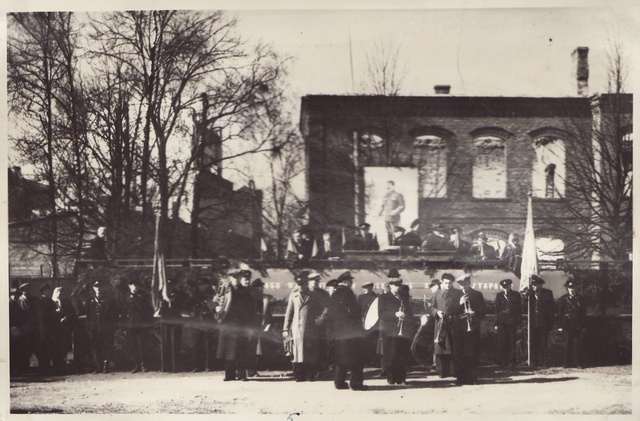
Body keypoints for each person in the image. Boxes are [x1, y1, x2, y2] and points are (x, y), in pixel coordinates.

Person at [283, 271, 324, 382]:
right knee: (296, 353)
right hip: (296, 329)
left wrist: (320, 319)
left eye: (303, 284)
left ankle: (310, 375)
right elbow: (289, 313)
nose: (301, 287)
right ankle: (298, 375)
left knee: (309, 352)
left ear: (306, 284)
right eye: (299, 285)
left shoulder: (314, 295)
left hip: (310, 328)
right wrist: (285, 329)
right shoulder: (293, 296)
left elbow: (324, 308)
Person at [329, 271, 366, 390]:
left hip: (340, 332)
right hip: (351, 331)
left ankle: (339, 382)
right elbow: (353, 313)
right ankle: (356, 383)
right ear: (345, 282)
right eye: (350, 281)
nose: (352, 283)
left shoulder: (335, 294)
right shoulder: (348, 293)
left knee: (341, 358)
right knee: (357, 357)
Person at [216, 270, 255, 381]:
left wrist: (250, 325)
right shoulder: (225, 289)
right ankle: (229, 375)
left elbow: (251, 309)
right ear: (230, 278)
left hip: (241, 324)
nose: (236, 280)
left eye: (238, 277)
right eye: (233, 277)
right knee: (229, 350)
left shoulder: (246, 292)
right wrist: (216, 308)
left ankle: (242, 374)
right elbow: (214, 300)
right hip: (228, 324)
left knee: (242, 349)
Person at [378, 272, 415, 385]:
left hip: (402, 330)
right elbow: (381, 314)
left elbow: (410, 312)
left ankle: (401, 378)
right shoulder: (383, 297)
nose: (397, 287)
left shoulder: (403, 298)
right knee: (390, 354)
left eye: (398, 285)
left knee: (401, 354)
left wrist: (405, 315)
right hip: (389, 330)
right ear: (390, 286)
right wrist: (395, 314)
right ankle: (391, 377)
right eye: (395, 285)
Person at [454, 275, 487, 385]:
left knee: (473, 352)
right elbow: (451, 311)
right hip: (460, 327)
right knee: (460, 352)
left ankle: (472, 378)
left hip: (473, 326)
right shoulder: (456, 295)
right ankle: (461, 378)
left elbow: (483, 310)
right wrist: (459, 303)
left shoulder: (477, 294)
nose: (463, 287)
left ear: (469, 283)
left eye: (465, 284)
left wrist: (475, 312)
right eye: (461, 285)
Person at [429, 273, 463, 378]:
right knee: (441, 347)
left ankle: (454, 371)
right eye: (445, 283)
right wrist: (437, 312)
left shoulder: (458, 293)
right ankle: (442, 371)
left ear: (452, 283)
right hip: (441, 323)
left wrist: (460, 304)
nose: (448, 285)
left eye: (450, 283)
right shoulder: (437, 293)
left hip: (453, 322)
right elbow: (431, 307)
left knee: (453, 347)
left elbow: (461, 309)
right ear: (442, 282)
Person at [84, 280, 118, 374]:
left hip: (106, 327)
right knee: (96, 347)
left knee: (107, 346)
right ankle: (99, 365)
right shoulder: (90, 299)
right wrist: (89, 327)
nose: (98, 288)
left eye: (99, 286)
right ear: (93, 288)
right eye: (96, 286)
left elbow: (115, 313)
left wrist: (113, 326)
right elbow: (88, 315)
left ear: (103, 288)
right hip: (94, 328)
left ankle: (106, 366)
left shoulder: (110, 299)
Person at [123, 279, 153, 373]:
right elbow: (123, 311)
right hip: (131, 324)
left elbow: (147, 309)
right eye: (132, 284)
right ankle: (137, 365)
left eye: (136, 285)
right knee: (133, 346)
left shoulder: (143, 296)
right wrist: (124, 326)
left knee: (142, 345)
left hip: (142, 324)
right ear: (129, 286)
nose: (134, 287)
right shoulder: (126, 297)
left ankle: (144, 365)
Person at [556, 279, 587, 368]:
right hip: (566, 325)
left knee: (576, 344)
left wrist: (583, 325)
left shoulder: (580, 299)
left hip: (577, 325)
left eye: (573, 287)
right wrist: (560, 326)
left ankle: (576, 362)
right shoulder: (563, 299)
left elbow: (583, 313)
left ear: (576, 287)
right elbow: (559, 313)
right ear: (567, 288)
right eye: (570, 287)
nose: (572, 289)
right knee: (567, 344)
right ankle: (566, 363)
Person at [247, 278, 273, 377]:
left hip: (260, 327)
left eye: (262, 287)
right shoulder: (250, 299)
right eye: (260, 287)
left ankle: (252, 369)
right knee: (250, 348)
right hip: (251, 327)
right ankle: (249, 370)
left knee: (255, 349)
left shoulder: (263, 299)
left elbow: (267, 313)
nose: (261, 289)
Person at [527, 274, 555, 368]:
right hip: (533, 323)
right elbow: (525, 308)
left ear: (540, 285)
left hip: (544, 323)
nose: (533, 287)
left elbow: (551, 309)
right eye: (532, 285)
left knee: (543, 343)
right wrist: (525, 297)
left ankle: (544, 362)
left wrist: (551, 323)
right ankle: (534, 362)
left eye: (535, 285)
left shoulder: (547, 293)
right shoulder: (530, 295)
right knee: (533, 343)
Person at [190, 278, 217, 372]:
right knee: (197, 345)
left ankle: (209, 365)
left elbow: (213, 307)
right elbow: (191, 307)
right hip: (198, 323)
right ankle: (197, 365)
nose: (201, 287)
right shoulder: (196, 296)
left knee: (209, 346)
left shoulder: (211, 295)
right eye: (200, 285)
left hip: (208, 322)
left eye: (203, 285)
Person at [494, 279, 522, 367]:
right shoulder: (499, 296)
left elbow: (519, 310)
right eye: (504, 287)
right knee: (502, 342)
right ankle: (503, 360)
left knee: (512, 342)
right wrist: (496, 323)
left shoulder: (516, 295)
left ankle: (512, 361)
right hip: (502, 322)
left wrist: (519, 322)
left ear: (510, 286)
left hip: (512, 322)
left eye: (507, 287)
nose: (506, 289)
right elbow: (496, 310)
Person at [51, 287, 76, 374]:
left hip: (65, 328)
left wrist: (67, 317)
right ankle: (56, 366)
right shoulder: (51, 303)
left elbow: (73, 313)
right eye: (59, 293)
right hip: (55, 329)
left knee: (65, 347)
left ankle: (64, 365)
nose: (60, 295)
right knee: (56, 348)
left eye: (62, 293)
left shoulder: (67, 302)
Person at [35, 283, 57, 373]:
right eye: (47, 290)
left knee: (51, 348)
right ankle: (43, 368)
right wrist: (55, 313)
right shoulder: (40, 302)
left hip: (52, 328)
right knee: (44, 348)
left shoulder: (51, 301)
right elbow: (43, 316)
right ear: (43, 291)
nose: (49, 291)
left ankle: (49, 367)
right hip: (44, 328)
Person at [357, 282, 379, 367]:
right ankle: (366, 361)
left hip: (374, 325)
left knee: (374, 342)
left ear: (371, 288)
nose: (364, 289)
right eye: (363, 287)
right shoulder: (361, 297)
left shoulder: (376, 298)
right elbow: (358, 310)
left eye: (366, 287)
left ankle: (374, 361)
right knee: (364, 342)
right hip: (363, 324)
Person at [379, 180, 406, 246]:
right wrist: (379, 213)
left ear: (393, 186)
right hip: (387, 218)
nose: (388, 187)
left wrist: (395, 212)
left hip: (395, 218)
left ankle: (397, 246)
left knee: (396, 232)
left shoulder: (398, 195)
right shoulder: (385, 196)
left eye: (390, 185)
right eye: (387, 185)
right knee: (389, 232)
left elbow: (402, 206)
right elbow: (382, 206)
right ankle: (390, 245)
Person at [9, 287, 28, 374]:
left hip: (18, 329)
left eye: (17, 295)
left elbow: (23, 316)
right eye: (14, 295)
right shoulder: (9, 304)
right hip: (11, 329)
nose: (15, 296)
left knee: (19, 349)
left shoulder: (16, 304)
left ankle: (19, 367)